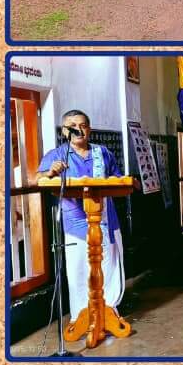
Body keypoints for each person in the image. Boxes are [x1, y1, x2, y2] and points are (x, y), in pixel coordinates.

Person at [37, 109, 125, 319]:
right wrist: (50, 172)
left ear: (89, 129)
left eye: (83, 125)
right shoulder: (57, 155)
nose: (78, 130)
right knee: (78, 273)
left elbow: (118, 179)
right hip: (75, 224)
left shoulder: (103, 153)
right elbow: (36, 178)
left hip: (105, 221)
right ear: (64, 131)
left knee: (109, 268)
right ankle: (81, 317)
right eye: (72, 126)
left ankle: (108, 314)